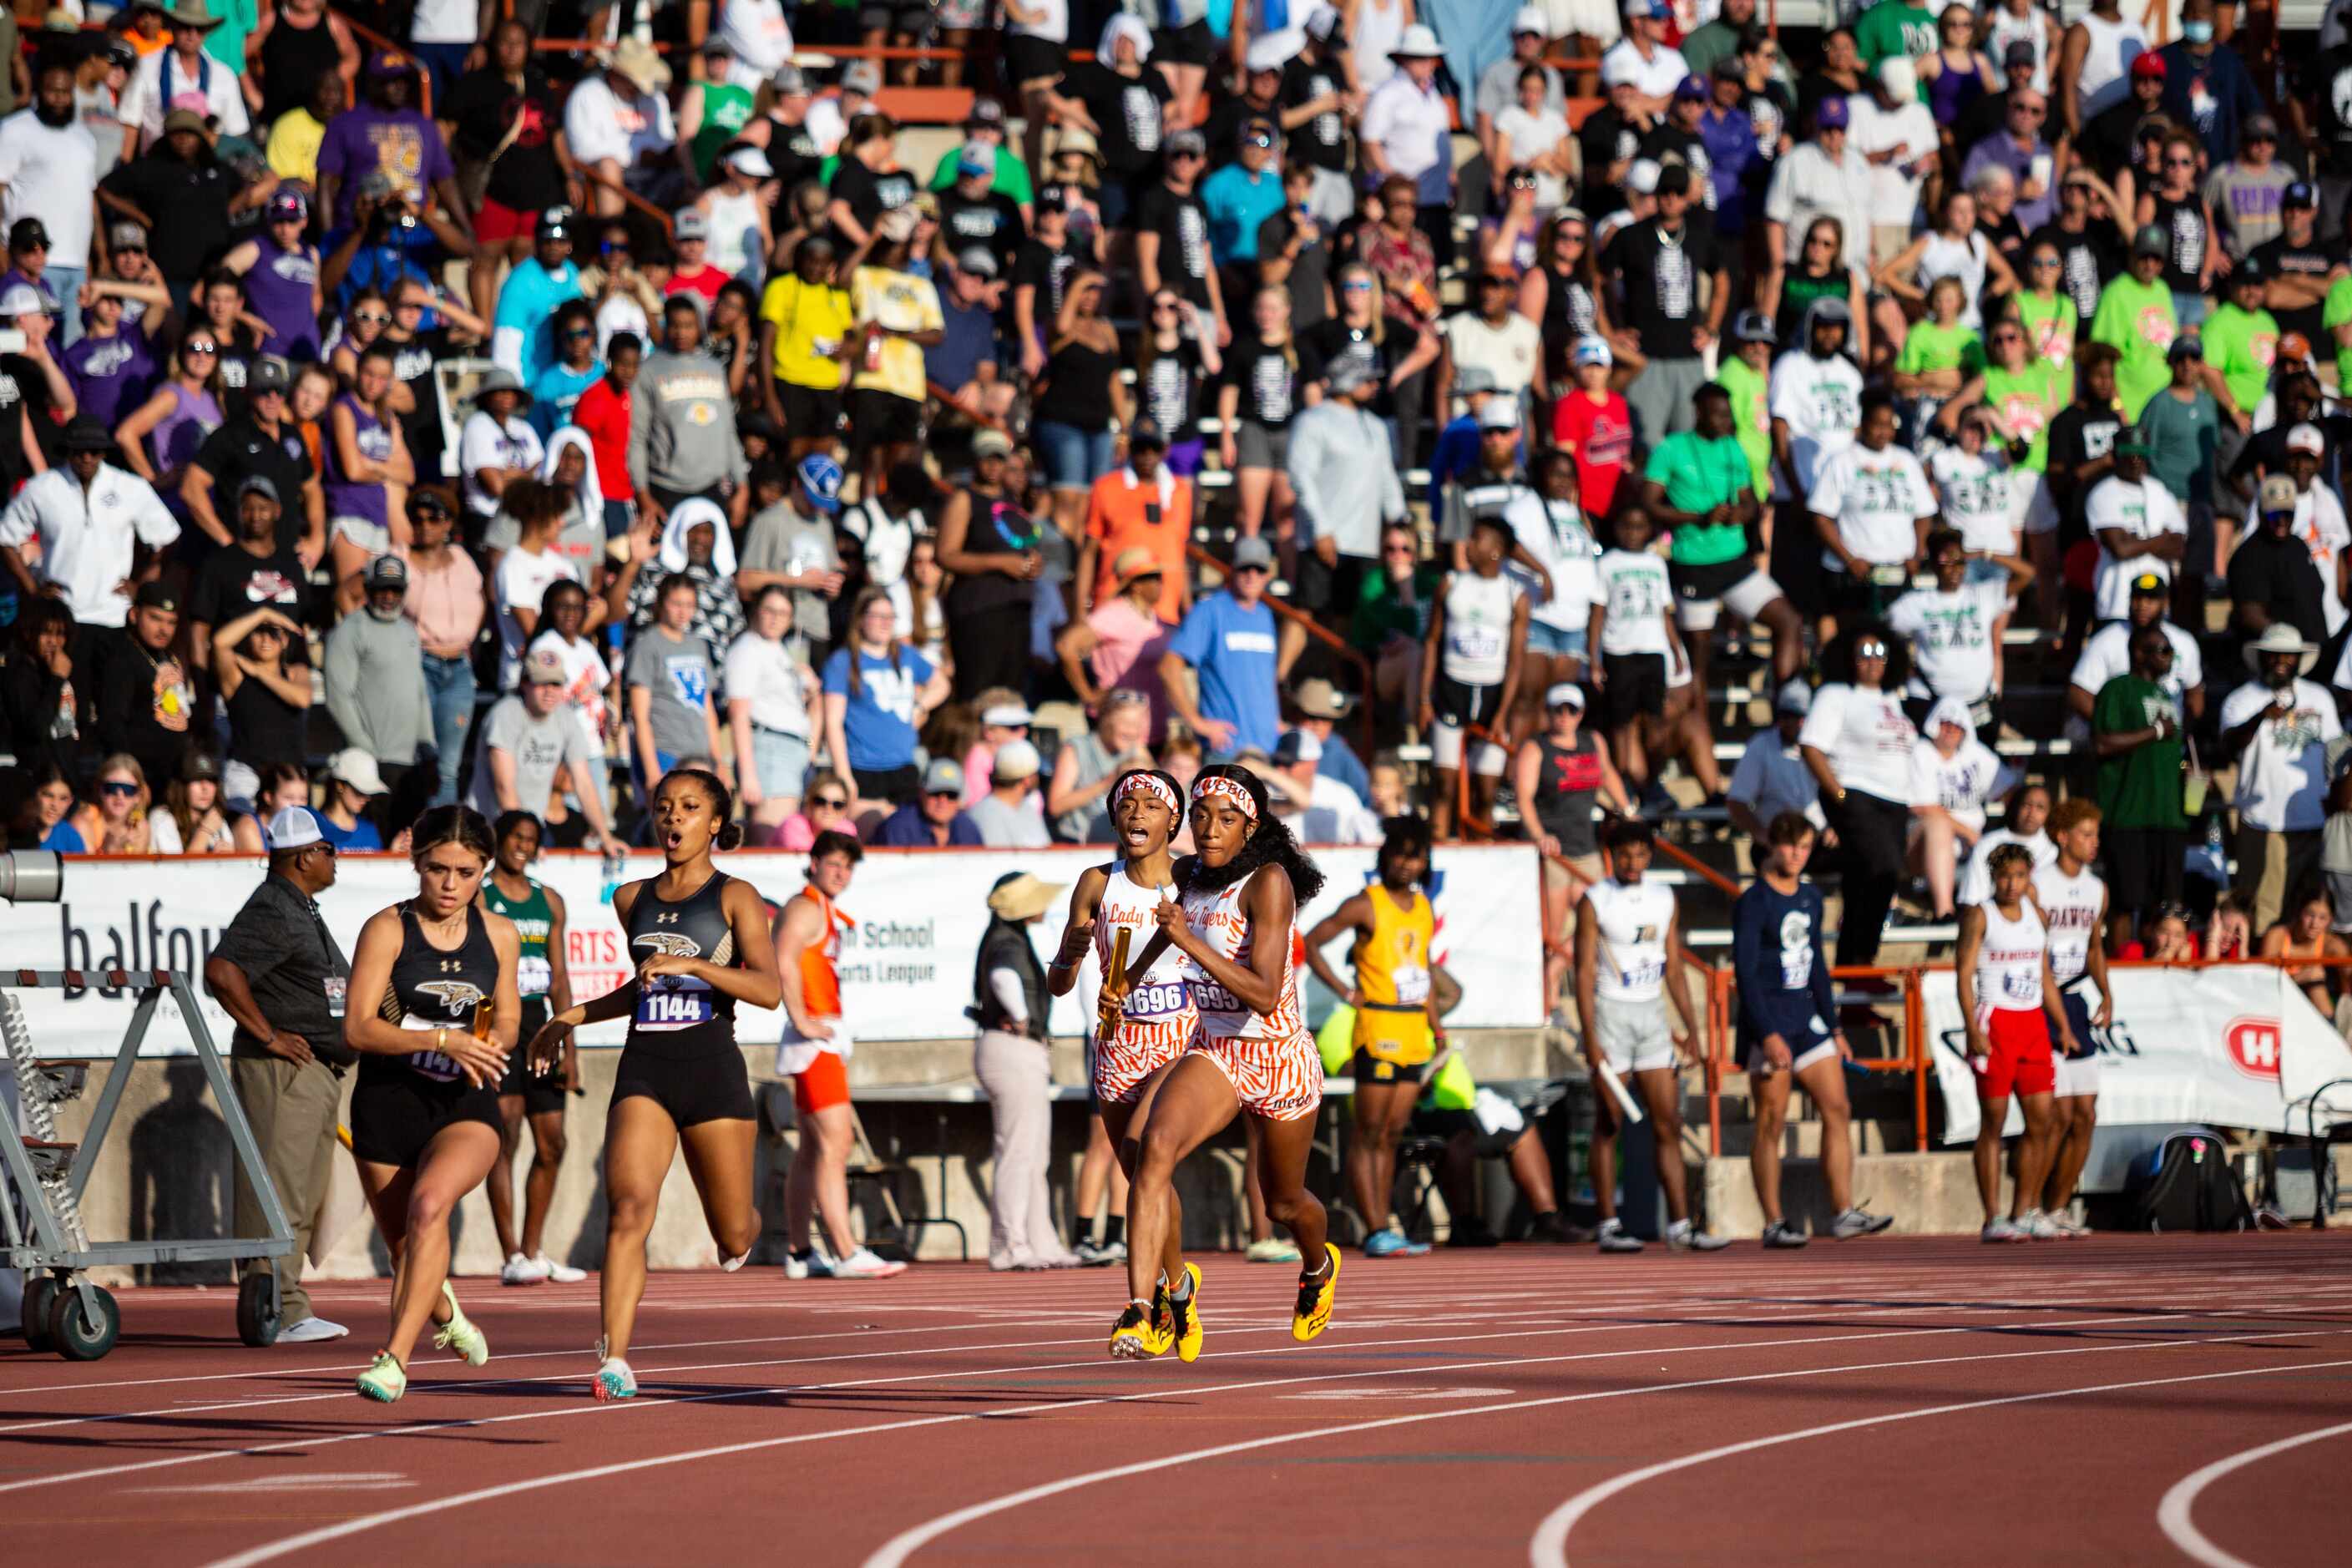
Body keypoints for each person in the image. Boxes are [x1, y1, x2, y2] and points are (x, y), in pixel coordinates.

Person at [527, 770, 777, 1399]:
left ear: (715, 823)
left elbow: (769, 991)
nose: (674, 819)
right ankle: (614, 1358)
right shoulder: (630, 897)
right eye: (664, 808)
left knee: (733, 1235)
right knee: (629, 1208)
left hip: (712, 1068)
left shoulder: (736, 896)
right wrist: (570, 1016)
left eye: (690, 809)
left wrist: (694, 963)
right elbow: (640, 989)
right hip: (646, 1068)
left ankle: (745, 1221)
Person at [1118, 766, 1336, 1358]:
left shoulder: (1268, 884)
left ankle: (1318, 1268)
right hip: (1217, 1049)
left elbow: (1264, 994)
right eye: (1201, 816)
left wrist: (1186, 941)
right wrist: (1130, 976)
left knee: (1283, 1203)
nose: (1210, 830)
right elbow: (1167, 920)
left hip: (1278, 1055)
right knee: (1149, 1149)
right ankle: (1149, 1307)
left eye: (1227, 819)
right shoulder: (1187, 873)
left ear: (1251, 825)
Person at [341, 806, 518, 1402]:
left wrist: (491, 1040)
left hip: (464, 1106)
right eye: (437, 869)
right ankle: (446, 1314)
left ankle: (393, 1361)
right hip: (388, 1103)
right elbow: (358, 1030)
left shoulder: (499, 935)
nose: (449, 885)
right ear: (416, 862)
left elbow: (510, 1017)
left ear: (482, 872)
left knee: (429, 1206)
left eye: (465, 872)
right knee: (407, 1249)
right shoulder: (387, 929)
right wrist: (441, 1038)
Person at [1049, 768, 1194, 1312]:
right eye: (1126, 804)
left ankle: (1141, 1302)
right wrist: (1071, 952)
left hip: (1179, 1046)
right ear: (1114, 816)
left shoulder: (1194, 878)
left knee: (1145, 1151)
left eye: (1150, 806)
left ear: (1172, 820)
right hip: (1116, 1048)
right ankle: (1177, 1282)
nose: (1136, 813)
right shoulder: (1096, 882)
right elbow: (1058, 984)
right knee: (1143, 1178)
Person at [1732, 812, 1893, 1246]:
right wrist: (1766, 1033)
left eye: (1804, 847)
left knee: (1838, 1107)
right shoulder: (1753, 902)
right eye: (1788, 846)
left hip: (1808, 1022)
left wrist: (1835, 1028)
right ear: (1772, 846)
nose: (1796, 855)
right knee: (1770, 1121)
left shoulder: (1810, 897)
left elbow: (1818, 967)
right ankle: (1773, 1221)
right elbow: (1745, 974)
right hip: (1770, 1024)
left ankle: (1842, 1211)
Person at [1574, 816, 1720, 1253]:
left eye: (1640, 854)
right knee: (1609, 1121)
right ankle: (1608, 1223)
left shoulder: (1662, 897)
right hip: (1611, 1014)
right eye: (1625, 855)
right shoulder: (1595, 900)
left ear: (1650, 856)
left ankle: (1679, 1225)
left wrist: (1691, 1029)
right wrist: (1590, 1035)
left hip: (1652, 1014)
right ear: (1611, 856)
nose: (1633, 862)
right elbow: (1582, 971)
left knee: (1667, 1123)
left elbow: (1673, 966)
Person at [1304, 817, 1442, 1259]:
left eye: (1415, 855)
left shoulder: (1423, 907)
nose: (1407, 863)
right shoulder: (1367, 903)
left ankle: (1386, 1226)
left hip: (1412, 1028)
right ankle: (1376, 1227)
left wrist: (1436, 1025)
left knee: (1392, 1134)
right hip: (1378, 1027)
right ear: (1386, 858)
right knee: (1369, 1133)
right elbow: (1311, 941)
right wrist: (1346, 992)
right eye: (1400, 854)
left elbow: (1424, 972)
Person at [773, 830, 904, 1279]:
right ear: (813, 862)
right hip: (813, 1038)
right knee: (836, 1142)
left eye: (848, 867)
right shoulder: (805, 906)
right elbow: (783, 959)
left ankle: (798, 1252)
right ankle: (846, 1251)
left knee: (812, 1149)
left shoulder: (821, 907)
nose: (841, 873)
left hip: (819, 1036)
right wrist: (802, 1019)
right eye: (833, 864)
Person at [475, 812, 583, 1288]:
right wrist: (479, 1039)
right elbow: (472, 970)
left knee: (552, 1141)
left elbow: (559, 977)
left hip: (540, 1025)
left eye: (531, 840)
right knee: (506, 1135)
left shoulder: (549, 900)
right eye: (515, 838)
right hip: (498, 1023)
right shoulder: (480, 895)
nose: (522, 846)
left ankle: (535, 1250)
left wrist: (570, 1047)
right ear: (498, 841)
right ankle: (511, 1253)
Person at [1957, 841, 2076, 1243]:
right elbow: (1963, 975)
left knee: (2042, 1121)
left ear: (2029, 878)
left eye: (2020, 876)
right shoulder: (1980, 916)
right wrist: (1972, 1029)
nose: (2012, 884)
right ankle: (1993, 1218)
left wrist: (2062, 1024)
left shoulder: (2037, 916)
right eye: (2005, 876)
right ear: (1993, 877)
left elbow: (2045, 975)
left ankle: (2024, 1210)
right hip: (1996, 1022)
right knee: (1993, 1122)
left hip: (2033, 1024)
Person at [969, 871, 1081, 1272]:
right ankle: (1009, 1245)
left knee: (1034, 1154)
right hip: (1013, 1050)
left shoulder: (1006, 937)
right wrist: (1019, 1017)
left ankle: (1040, 1241)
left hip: (1018, 1051)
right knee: (1019, 1153)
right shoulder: (1007, 941)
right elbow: (1003, 978)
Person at [1801, 625, 1920, 967]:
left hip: (1895, 802)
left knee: (1862, 883)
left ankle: (1853, 972)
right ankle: (1863, 959)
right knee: (1884, 871)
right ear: (1849, 659)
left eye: (1879, 653)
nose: (1872, 661)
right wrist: (1839, 795)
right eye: (1863, 654)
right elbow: (1811, 747)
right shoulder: (1836, 694)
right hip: (1857, 794)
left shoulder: (1895, 700)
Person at [2223, 624, 2342, 934]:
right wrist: (2260, 717)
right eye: (2274, 655)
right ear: (2261, 658)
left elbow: (2338, 755)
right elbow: (2229, 746)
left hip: (2314, 820)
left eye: (2289, 655)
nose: (2281, 661)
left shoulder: (2320, 698)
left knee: (2308, 913)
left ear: (2299, 659)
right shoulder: (2242, 700)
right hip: (2265, 822)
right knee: (2265, 910)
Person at [2031, 799, 2111, 1236]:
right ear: (2062, 837)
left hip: (2077, 1001)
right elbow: (2033, 950)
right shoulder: (2039, 885)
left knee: (2086, 1115)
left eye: (2096, 835)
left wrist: (2107, 993)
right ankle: (2033, 1207)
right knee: (2056, 1116)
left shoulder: (2097, 888)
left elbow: (2095, 947)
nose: (2093, 843)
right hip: (2044, 1003)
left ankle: (2059, 1207)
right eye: (2085, 834)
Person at [2092, 624, 2191, 953]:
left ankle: (2160, 965)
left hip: (2169, 815)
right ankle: (2120, 967)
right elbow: (2102, 744)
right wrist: (2154, 732)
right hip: (2128, 815)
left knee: (2166, 906)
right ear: (2138, 653)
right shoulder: (2117, 689)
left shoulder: (2168, 696)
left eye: (2170, 651)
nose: (2169, 658)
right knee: (2125, 902)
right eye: (2162, 650)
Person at [468, 647, 615, 848]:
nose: (550, 691)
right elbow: (504, 786)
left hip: (530, 831)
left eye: (556, 684)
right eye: (541, 683)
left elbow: (584, 783)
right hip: (487, 828)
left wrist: (605, 837)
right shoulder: (505, 714)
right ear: (525, 683)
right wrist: (520, 840)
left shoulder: (566, 717)